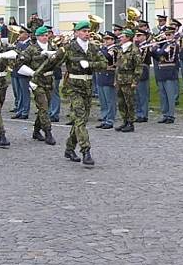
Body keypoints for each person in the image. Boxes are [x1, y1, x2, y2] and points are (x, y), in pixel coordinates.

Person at [50, 20, 108, 167]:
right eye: (83, 31)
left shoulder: (94, 48)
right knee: (80, 118)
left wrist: (90, 65)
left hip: (87, 87)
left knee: (80, 120)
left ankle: (69, 148)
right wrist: (38, 76)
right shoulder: (68, 48)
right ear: (76, 33)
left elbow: (104, 64)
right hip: (73, 87)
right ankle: (86, 151)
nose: (86, 33)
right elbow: (52, 62)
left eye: (88, 31)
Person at [18, 25, 57, 145]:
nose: (45, 37)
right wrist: (31, 73)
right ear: (37, 37)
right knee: (43, 106)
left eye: (46, 35)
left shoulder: (52, 46)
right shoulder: (31, 49)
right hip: (37, 81)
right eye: (42, 36)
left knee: (45, 107)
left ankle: (36, 130)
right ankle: (48, 132)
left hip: (49, 80)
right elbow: (20, 62)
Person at [114, 28, 143, 132]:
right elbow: (117, 66)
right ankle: (124, 121)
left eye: (122, 36)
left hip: (129, 80)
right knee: (121, 102)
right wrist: (115, 80)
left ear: (128, 37)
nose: (120, 38)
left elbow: (138, 67)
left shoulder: (134, 50)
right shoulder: (121, 49)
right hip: (120, 79)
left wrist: (135, 81)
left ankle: (131, 123)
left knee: (129, 102)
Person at [152, 25, 180, 123]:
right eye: (166, 35)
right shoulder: (164, 44)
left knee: (170, 95)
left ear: (173, 35)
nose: (167, 37)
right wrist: (152, 50)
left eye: (169, 35)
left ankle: (171, 115)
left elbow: (162, 53)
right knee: (163, 95)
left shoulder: (173, 45)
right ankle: (165, 114)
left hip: (169, 72)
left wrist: (155, 48)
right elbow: (157, 57)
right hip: (162, 71)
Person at [95, 32, 118, 130]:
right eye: (105, 39)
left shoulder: (114, 49)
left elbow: (108, 57)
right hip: (101, 75)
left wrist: (100, 49)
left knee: (110, 100)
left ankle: (110, 120)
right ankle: (104, 118)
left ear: (113, 40)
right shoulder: (103, 49)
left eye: (108, 39)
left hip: (109, 75)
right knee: (103, 100)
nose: (106, 41)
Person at [11, 27, 31, 119]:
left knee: (25, 92)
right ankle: (19, 110)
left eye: (21, 33)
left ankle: (25, 111)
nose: (19, 35)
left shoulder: (29, 45)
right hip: (16, 70)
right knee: (18, 92)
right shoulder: (17, 43)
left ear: (26, 34)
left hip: (24, 71)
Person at [134, 25, 151, 122]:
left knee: (142, 94)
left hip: (143, 70)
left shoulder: (147, 46)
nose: (137, 37)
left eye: (139, 35)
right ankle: (138, 113)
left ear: (144, 36)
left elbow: (143, 59)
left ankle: (144, 114)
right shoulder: (137, 46)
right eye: (137, 35)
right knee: (136, 94)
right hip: (135, 71)